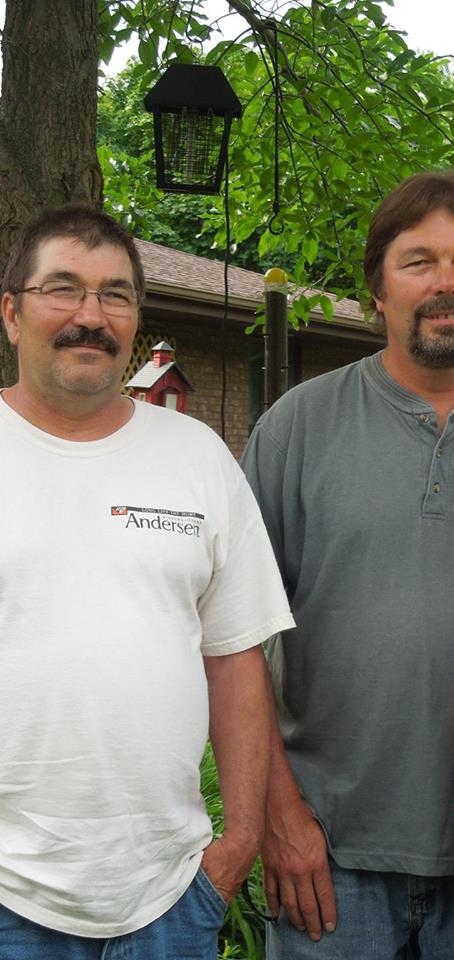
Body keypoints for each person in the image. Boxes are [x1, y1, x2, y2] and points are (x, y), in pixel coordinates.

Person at [241, 170, 454, 959]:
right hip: (331, 855)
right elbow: (233, 641)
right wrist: (279, 816)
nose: (445, 284)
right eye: (417, 260)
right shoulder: (297, 429)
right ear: (377, 289)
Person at [0, 205, 294, 959]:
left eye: (116, 295)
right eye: (62, 289)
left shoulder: (197, 456)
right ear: (12, 312)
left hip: (171, 898)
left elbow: (235, 660)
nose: (89, 317)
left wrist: (239, 847)